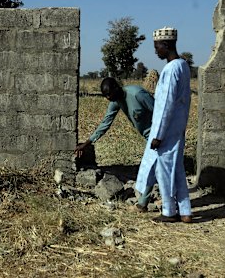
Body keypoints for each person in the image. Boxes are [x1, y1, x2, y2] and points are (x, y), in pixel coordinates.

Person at [135, 27, 193, 223]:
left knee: (163, 169)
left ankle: (169, 211)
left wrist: (158, 135)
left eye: (157, 46)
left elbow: (166, 105)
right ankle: (185, 211)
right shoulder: (183, 66)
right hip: (177, 127)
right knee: (176, 169)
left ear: (165, 45)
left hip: (166, 130)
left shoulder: (170, 69)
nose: (155, 51)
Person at [74, 77, 155, 211]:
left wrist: (161, 136)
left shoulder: (137, 94)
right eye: (105, 95)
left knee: (149, 167)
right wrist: (87, 143)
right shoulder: (116, 101)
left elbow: (160, 112)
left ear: (117, 88)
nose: (107, 98)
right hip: (150, 138)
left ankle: (143, 204)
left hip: (160, 136)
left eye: (109, 94)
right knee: (158, 168)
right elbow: (105, 123)